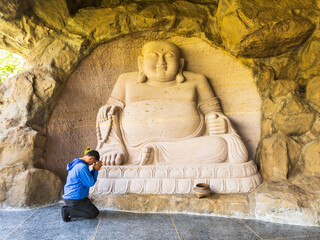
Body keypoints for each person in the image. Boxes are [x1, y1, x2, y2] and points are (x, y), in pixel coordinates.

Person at [95, 40, 248, 166]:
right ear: (140, 62)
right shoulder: (126, 80)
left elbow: (214, 113)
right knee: (107, 112)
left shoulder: (197, 80)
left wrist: (218, 121)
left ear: (180, 64)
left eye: (169, 56)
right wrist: (112, 145)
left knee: (219, 146)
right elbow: (108, 113)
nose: (162, 62)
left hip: (186, 145)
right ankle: (123, 152)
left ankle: (157, 154)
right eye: (154, 56)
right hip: (132, 148)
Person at [61, 149, 102, 222]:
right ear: (91, 158)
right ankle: (67, 210)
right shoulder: (81, 167)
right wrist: (95, 170)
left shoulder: (76, 163)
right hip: (74, 198)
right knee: (94, 213)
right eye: (94, 162)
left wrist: (94, 169)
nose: (93, 164)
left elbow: (87, 179)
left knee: (91, 209)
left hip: (77, 197)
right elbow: (90, 183)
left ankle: (73, 208)